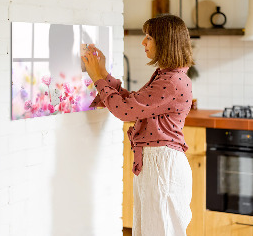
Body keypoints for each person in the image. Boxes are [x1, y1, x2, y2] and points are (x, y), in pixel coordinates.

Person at [82, 14, 194, 236]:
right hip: (157, 163)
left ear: (165, 42)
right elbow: (133, 103)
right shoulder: (167, 76)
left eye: (149, 37)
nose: (143, 42)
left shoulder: (171, 81)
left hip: (162, 165)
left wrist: (98, 78)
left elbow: (125, 111)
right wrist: (103, 74)